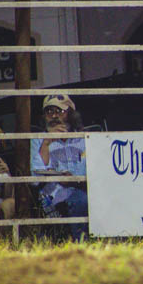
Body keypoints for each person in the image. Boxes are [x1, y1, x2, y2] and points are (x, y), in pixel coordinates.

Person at [31, 94, 88, 240]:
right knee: (79, 200)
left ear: (70, 114)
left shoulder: (84, 138)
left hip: (84, 188)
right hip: (53, 195)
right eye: (49, 112)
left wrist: (73, 179)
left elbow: (90, 169)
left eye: (60, 111)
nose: (54, 116)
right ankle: (81, 245)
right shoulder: (37, 140)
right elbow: (35, 179)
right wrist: (46, 143)